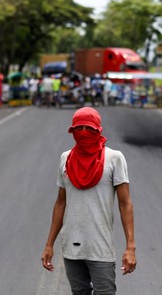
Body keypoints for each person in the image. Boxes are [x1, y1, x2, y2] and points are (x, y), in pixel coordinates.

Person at [42, 107, 136, 295]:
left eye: (89, 128)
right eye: (79, 128)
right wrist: (49, 244)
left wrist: (130, 246)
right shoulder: (66, 158)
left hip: (100, 246)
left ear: (98, 129)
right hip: (71, 247)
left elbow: (125, 203)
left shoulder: (114, 158)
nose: (84, 132)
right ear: (72, 131)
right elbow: (61, 202)